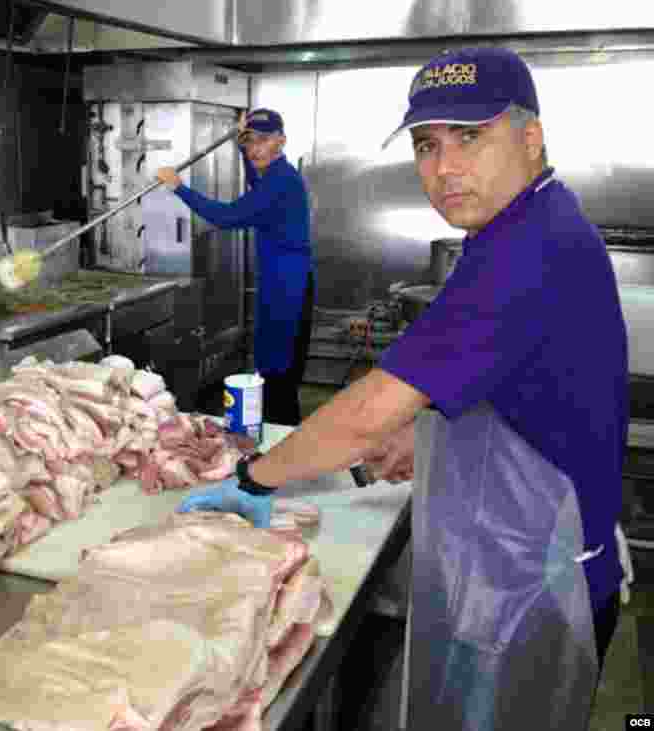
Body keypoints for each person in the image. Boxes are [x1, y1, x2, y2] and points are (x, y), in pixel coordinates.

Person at [178, 47, 627, 730]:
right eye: (426, 144)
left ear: (530, 137)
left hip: (538, 587)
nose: (444, 167)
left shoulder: (527, 247)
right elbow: (516, 390)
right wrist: (424, 442)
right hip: (519, 555)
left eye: (470, 137)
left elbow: (369, 411)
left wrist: (256, 477)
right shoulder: (518, 223)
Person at [155, 109, 314, 426]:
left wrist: (179, 188)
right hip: (280, 278)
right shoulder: (272, 173)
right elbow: (255, 178)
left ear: (281, 141)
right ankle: (276, 434)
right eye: (249, 141)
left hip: (289, 286)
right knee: (272, 365)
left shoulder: (280, 182)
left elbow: (225, 217)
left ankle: (281, 437)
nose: (255, 148)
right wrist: (241, 147)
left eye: (264, 141)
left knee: (279, 371)